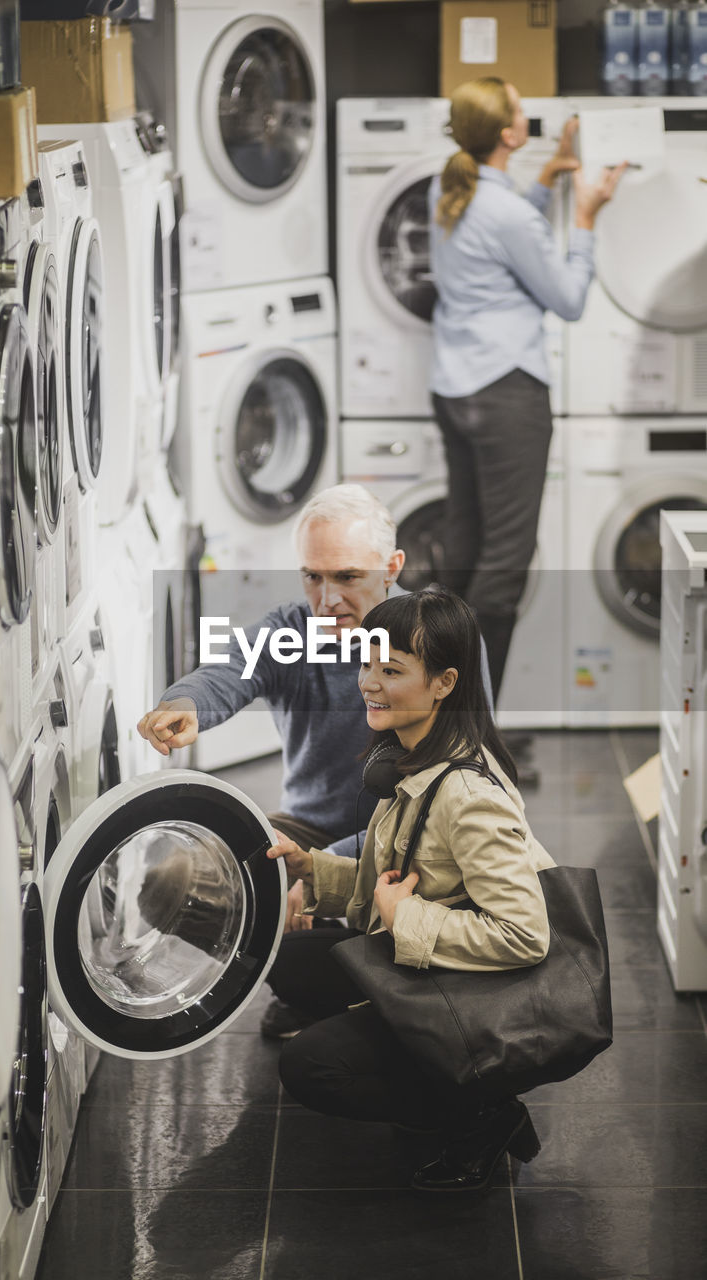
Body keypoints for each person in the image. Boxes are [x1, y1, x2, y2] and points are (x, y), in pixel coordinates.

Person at [138, 484, 494, 1037]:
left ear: (392, 567)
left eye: (347, 578)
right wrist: (186, 703)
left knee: (405, 892)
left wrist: (320, 868)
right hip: (307, 825)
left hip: (415, 835)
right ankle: (309, 982)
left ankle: (350, 985)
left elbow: (470, 774)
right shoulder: (290, 631)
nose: (326, 599)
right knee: (169, 882)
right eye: (312, 577)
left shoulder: (442, 638)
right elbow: (228, 667)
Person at [265, 584, 556, 1192]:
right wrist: (312, 870)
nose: (369, 682)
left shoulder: (467, 794)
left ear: (445, 683)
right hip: (434, 964)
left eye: (391, 670)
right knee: (289, 962)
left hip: (476, 996)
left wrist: (404, 920)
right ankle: (421, 1063)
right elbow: (393, 880)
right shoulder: (415, 754)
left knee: (311, 1067)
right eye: (367, 663)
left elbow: (525, 935)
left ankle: (477, 1112)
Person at [428, 78, 626, 715]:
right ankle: (473, 732)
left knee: (462, 553)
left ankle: (432, 723)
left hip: (453, 389)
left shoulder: (449, 185)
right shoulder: (505, 209)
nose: (525, 115)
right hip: (507, 394)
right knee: (505, 567)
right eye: (520, 109)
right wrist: (588, 215)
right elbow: (566, 298)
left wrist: (547, 179)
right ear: (510, 133)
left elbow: (505, 238)